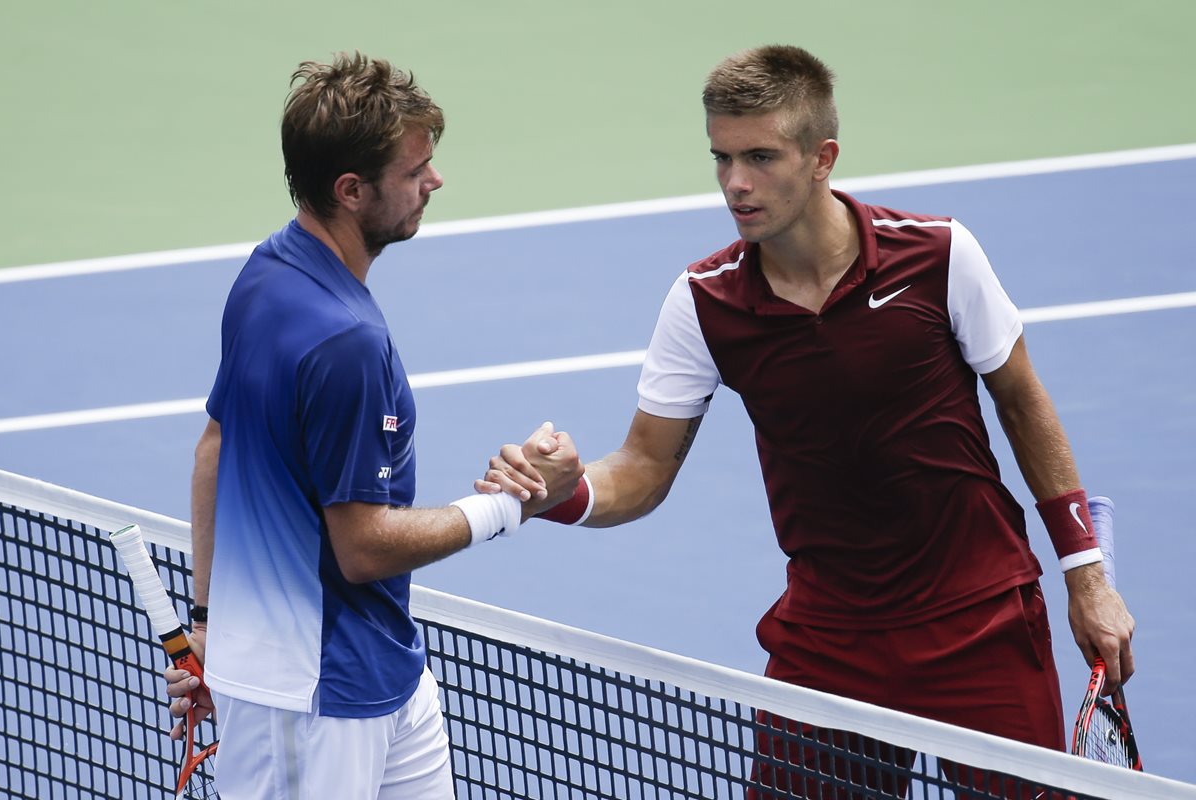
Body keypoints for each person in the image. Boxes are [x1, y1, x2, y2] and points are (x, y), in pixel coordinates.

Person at [482, 45, 1136, 797]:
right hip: (831, 642)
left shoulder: (940, 256)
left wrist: (1086, 577)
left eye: (760, 157)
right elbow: (644, 466)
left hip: (979, 623)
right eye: (722, 158)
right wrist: (563, 492)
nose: (735, 183)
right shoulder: (704, 302)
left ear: (822, 157)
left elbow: (1022, 402)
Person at [163, 52, 581, 800]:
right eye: (415, 169)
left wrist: (204, 622)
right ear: (351, 191)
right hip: (311, 699)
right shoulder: (343, 342)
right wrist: (510, 504)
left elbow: (215, 448)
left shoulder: (266, 273)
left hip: (386, 671)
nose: (434, 181)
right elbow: (360, 549)